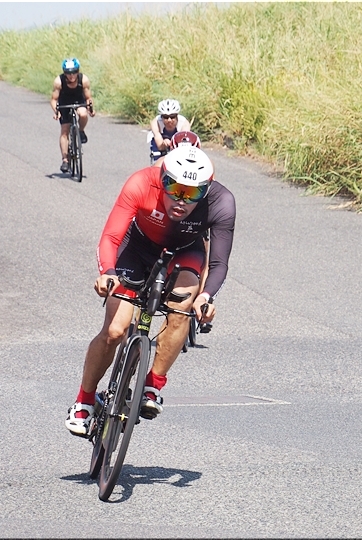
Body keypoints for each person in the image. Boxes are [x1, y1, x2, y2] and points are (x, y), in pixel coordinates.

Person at [65, 146, 236, 437]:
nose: (181, 200)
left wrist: (206, 297)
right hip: (137, 246)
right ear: (162, 178)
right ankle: (84, 401)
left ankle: (153, 384)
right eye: (174, 188)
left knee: (183, 306)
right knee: (115, 331)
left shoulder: (222, 202)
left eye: (192, 193)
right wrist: (108, 272)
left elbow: (219, 263)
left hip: (185, 251)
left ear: (207, 189)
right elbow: (111, 236)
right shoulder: (141, 182)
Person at [50, 58, 95, 173]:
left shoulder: (83, 80)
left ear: (78, 71)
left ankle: (81, 131)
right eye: (68, 73)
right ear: (64, 73)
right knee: (64, 130)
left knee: (83, 114)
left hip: (78, 100)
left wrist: (90, 108)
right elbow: (54, 100)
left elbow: (88, 97)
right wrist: (57, 111)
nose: (71, 76)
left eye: (74, 72)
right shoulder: (59, 82)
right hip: (64, 102)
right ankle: (65, 160)